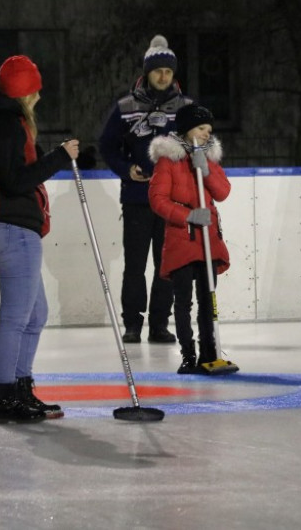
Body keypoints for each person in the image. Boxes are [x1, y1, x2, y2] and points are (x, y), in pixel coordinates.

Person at [0, 54, 80, 424]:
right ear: (25, 92)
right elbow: (16, 180)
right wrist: (59, 157)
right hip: (12, 230)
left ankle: (20, 389)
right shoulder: (4, 123)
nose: (39, 97)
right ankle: (5, 399)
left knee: (35, 315)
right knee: (16, 319)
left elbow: (19, 170)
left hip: (12, 229)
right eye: (36, 91)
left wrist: (61, 157)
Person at [99, 35, 193, 344]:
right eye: (157, 71)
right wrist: (126, 168)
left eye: (168, 71)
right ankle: (132, 324)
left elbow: (199, 145)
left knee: (167, 265)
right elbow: (106, 145)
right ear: (147, 72)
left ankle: (159, 324)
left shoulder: (186, 108)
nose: (163, 77)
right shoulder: (126, 107)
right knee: (135, 265)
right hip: (137, 200)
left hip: (172, 202)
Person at [148, 104, 232, 374]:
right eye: (201, 128)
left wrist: (206, 170)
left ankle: (210, 352)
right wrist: (188, 215)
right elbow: (158, 200)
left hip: (208, 240)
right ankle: (188, 355)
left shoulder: (208, 158)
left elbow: (223, 192)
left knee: (208, 298)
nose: (207, 134)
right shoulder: (168, 160)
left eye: (209, 129)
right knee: (183, 301)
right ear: (186, 130)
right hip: (182, 239)